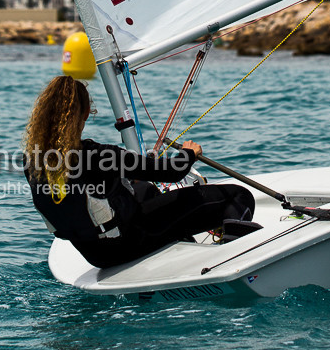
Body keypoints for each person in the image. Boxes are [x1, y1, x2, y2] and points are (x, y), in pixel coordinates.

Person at [23, 75, 259, 268]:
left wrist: (125, 174)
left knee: (144, 189)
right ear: (85, 114)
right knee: (238, 196)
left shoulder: (32, 160)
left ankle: (183, 245)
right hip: (127, 243)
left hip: (94, 254)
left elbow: (82, 187)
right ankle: (232, 260)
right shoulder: (99, 155)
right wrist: (189, 153)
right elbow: (171, 172)